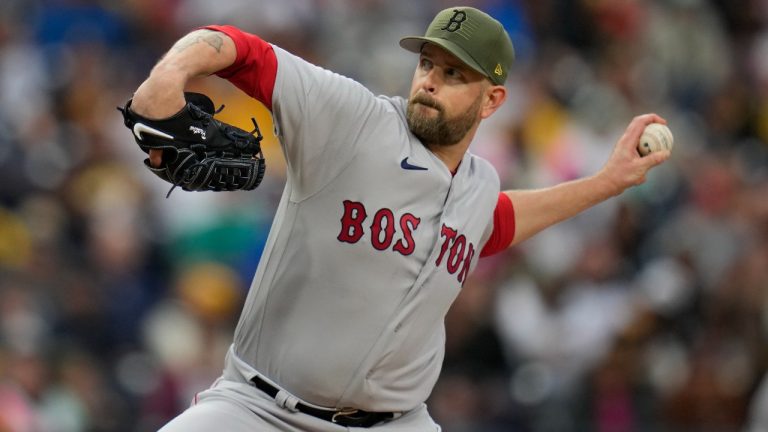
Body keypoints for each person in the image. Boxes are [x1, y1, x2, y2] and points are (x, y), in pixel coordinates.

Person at [129, 6, 670, 431]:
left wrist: (607, 183)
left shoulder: (478, 186)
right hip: (259, 410)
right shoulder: (353, 120)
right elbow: (243, 52)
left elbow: (497, 223)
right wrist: (168, 77)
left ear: (492, 100)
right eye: (428, 63)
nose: (430, 80)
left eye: (454, 72)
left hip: (396, 425)